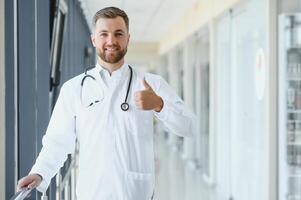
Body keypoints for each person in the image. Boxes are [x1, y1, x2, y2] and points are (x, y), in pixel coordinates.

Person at [16, 6, 196, 200]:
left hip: (135, 193)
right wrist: (39, 173)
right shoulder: (74, 89)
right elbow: (57, 141)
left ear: (128, 38)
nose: (111, 41)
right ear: (94, 39)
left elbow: (190, 127)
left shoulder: (152, 84)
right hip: (92, 193)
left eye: (119, 34)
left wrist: (160, 104)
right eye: (104, 34)